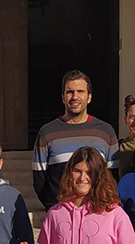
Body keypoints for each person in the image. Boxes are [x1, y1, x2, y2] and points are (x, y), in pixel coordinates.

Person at [32, 70, 121, 210]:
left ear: (89, 97)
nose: (75, 97)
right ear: (63, 97)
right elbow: (39, 181)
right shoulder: (47, 134)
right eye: (70, 92)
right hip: (62, 214)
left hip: (97, 212)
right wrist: (55, 208)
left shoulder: (105, 132)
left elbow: (112, 178)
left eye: (80, 91)